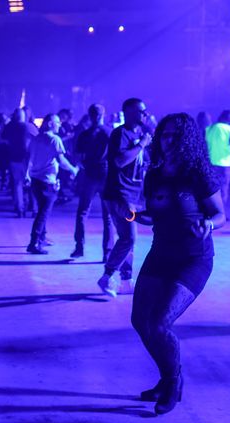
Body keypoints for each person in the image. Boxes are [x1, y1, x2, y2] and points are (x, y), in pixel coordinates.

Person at [131, 113, 225, 415]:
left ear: (187, 139)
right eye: (164, 134)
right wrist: (131, 214)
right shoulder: (155, 173)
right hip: (160, 254)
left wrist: (209, 225)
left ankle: (172, 382)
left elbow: (219, 214)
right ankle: (168, 376)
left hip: (192, 259)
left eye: (174, 135)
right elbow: (153, 215)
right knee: (140, 321)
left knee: (159, 324)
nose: (167, 140)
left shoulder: (198, 173)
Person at [98, 98, 152, 297]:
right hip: (119, 195)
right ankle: (107, 276)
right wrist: (142, 145)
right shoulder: (120, 133)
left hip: (132, 195)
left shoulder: (139, 134)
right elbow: (119, 161)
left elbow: (144, 163)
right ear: (128, 112)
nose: (144, 114)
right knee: (129, 237)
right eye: (141, 111)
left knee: (127, 238)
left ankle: (127, 280)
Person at [26, 114, 79, 254]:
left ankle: (41, 237)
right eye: (57, 122)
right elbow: (61, 160)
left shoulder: (36, 139)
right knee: (43, 213)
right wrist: (74, 169)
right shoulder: (54, 140)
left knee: (41, 209)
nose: (60, 125)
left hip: (36, 179)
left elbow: (30, 157)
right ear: (50, 124)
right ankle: (34, 242)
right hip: (47, 181)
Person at [71, 104, 115, 261]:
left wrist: (84, 165)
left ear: (89, 115)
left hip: (89, 174)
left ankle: (79, 247)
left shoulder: (85, 134)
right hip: (106, 173)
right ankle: (107, 252)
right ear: (103, 114)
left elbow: (77, 156)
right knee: (108, 216)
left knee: (83, 212)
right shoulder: (110, 132)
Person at [205, 110, 230, 205]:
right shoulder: (228, 129)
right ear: (229, 118)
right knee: (223, 189)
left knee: (211, 189)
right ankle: (221, 213)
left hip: (210, 164)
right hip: (224, 165)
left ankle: (210, 212)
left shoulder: (210, 128)